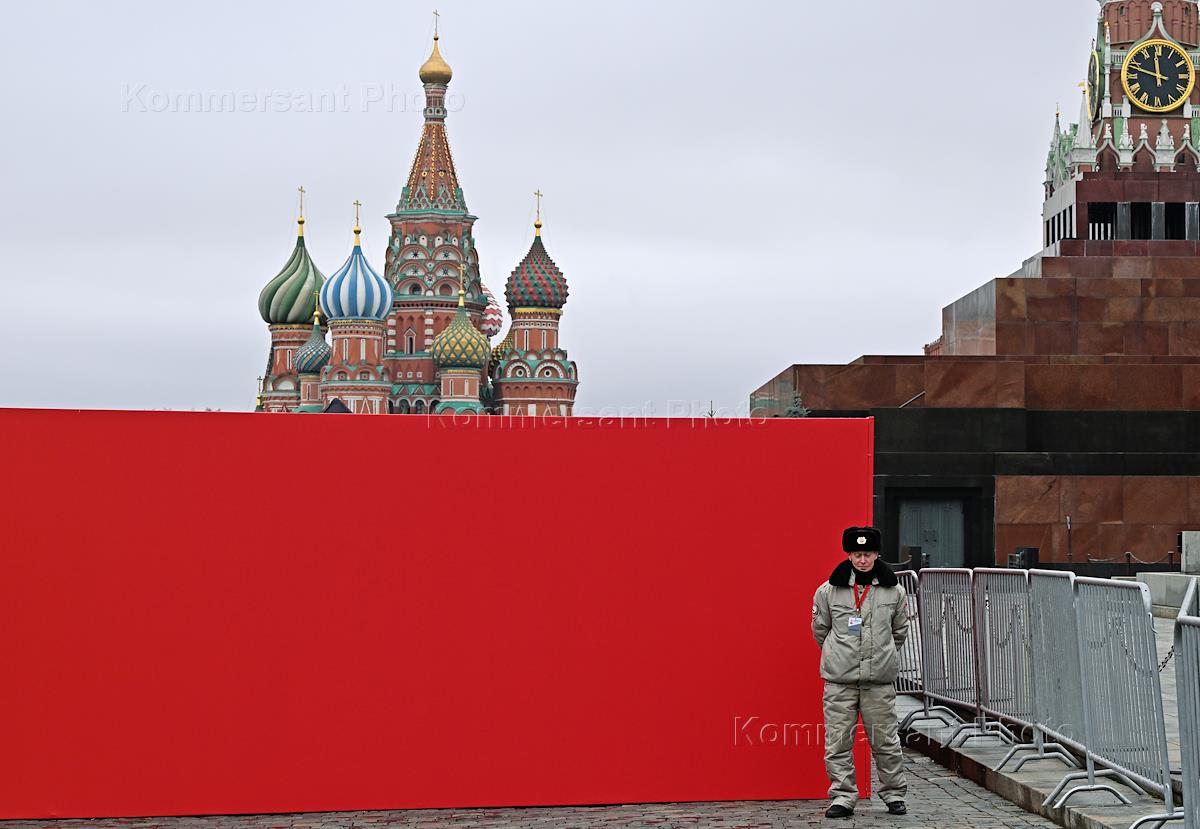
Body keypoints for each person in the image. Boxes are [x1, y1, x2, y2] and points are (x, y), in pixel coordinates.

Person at [811, 526, 909, 819]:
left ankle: (894, 794)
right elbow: (820, 630)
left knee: (885, 740)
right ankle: (843, 796)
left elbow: (899, 631)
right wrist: (840, 655)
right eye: (857, 554)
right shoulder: (829, 591)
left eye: (867, 554)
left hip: (878, 681)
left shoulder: (894, 590)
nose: (862, 560)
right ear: (849, 555)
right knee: (838, 741)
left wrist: (881, 655)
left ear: (877, 554)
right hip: (840, 680)